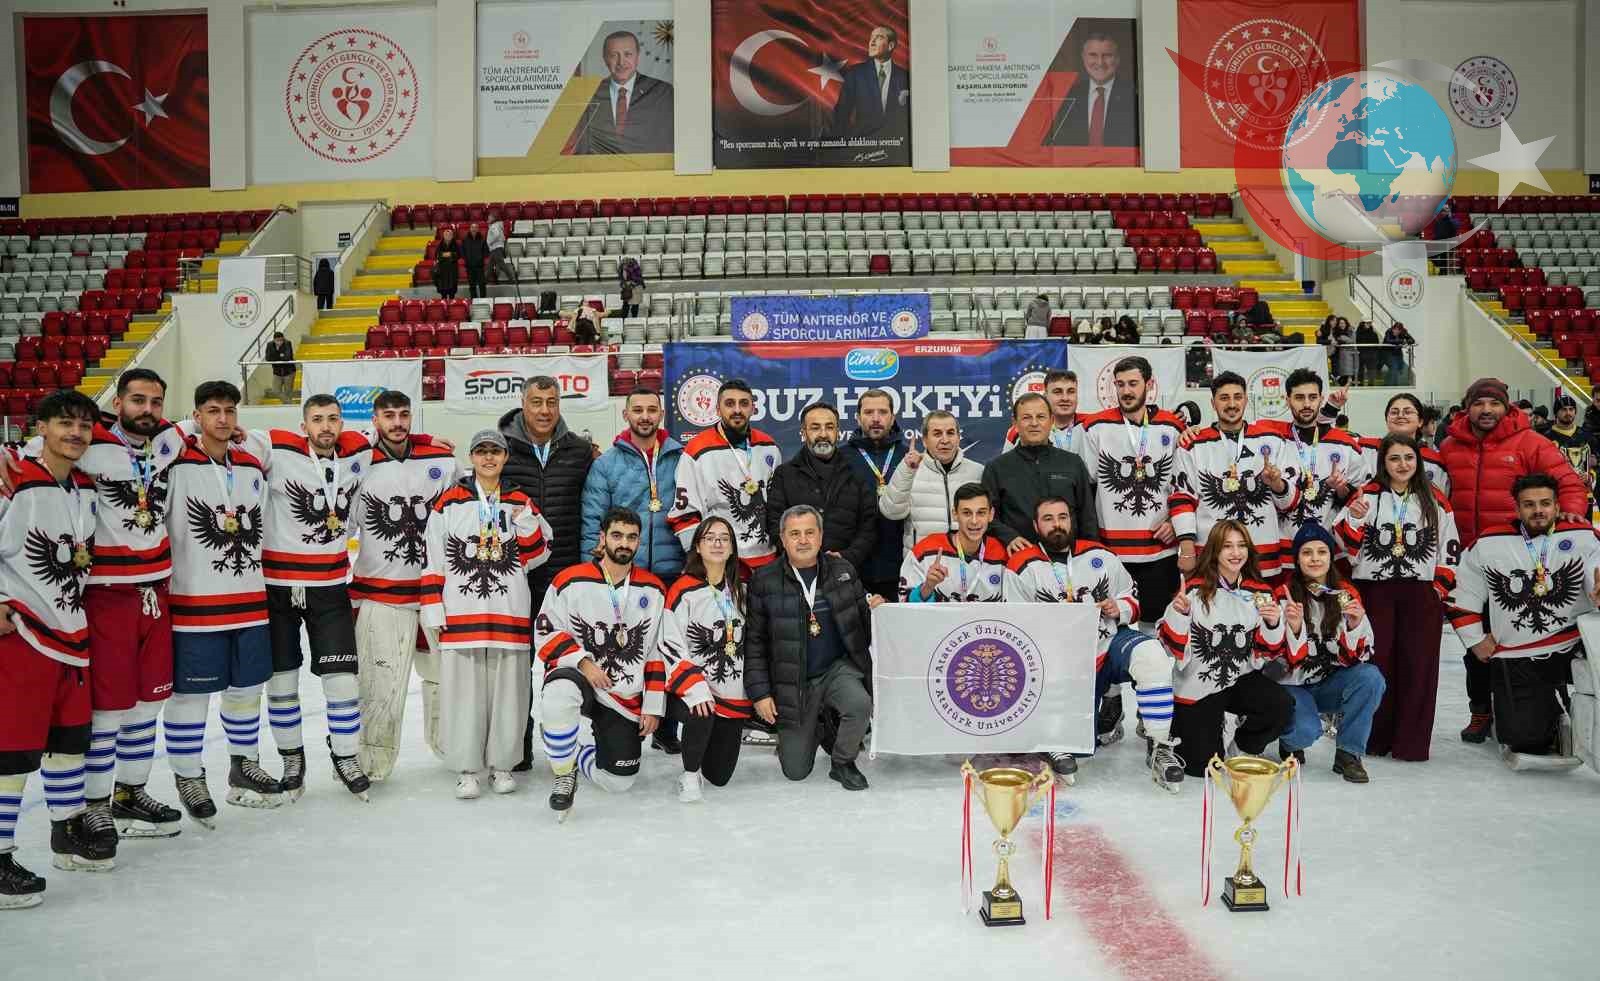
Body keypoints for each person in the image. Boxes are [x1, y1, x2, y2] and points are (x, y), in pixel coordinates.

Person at [0, 372, 189, 848]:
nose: (147, 409)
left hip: (142, 596)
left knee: (141, 705)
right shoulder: (40, 466)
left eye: (156, 401)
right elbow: (32, 457)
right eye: (137, 400)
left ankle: (124, 795)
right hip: (91, 601)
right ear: (117, 404)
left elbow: (207, 428)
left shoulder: (163, 444)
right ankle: (94, 804)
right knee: (96, 713)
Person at [217, 394, 373, 802]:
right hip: (276, 588)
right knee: (282, 681)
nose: (326, 426)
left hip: (330, 587)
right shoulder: (276, 445)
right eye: (317, 419)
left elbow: (391, 435)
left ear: (342, 423)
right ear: (303, 425)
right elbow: (224, 435)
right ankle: (292, 759)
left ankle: (346, 756)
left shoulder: (358, 451)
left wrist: (428, 440)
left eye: (333, 419)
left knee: (342, 681)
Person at [0, 391, 110, 901]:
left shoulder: (84, 487)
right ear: (40, 427)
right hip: (23, 634)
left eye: (84, 426)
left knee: (69, 744)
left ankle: (66, 833)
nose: (76, 433)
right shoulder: (14, 477)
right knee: (12, 753)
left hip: (72, 633)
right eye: (65, 423)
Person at [1439, 377, 1588, 743]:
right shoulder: (1449, 446)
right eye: (1479, 403)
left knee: (1526, 636)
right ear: (1467, 407)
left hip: (1518, 561)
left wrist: (1570, 514)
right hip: (1470, 561)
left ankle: (1543, 705)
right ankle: (1480, 710)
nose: (1486, 410)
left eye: (1494, 403)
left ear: (1506, 407)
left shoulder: (1530, 442)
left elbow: (1568, 484)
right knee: (1475, 641)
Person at [160, 381, 282, 819]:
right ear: (196, 416)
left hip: (249, 601)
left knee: (247, 689)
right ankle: (188, 776)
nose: (223, 419)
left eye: (230, 410)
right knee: (190, 696)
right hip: (195, 603)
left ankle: (243, 766)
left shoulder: (250, 465)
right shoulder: (176, 463)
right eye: (213, 410)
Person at [1006, 497, 1185, 790]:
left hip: (1107, 646)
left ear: (1071, 520)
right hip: (1058, 663)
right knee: (1082, 748)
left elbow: (1132, 596)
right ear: (1036, 526)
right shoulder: (1021, 566)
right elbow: (1014, 626)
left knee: (1152, 654)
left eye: (1063, 517)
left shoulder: (1100, 554)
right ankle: (1057, 740)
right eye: (1048, 519)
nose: (1057, 524)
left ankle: (1160, 746)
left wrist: (1119, 607)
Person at [422, 430, 550, 799]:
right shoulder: (449, 502)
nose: (489, 458)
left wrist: (527, 526)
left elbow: (537, 557)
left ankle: (503, 765)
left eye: (496, 451)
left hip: (509, 614)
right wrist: (432, 605)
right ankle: (466, 769)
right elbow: (433, 558)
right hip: (461, 615)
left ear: (505, 457)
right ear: (472, 457)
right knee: (463, 696)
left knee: (509, 695)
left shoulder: (520, 502)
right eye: (482, 451)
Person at [1448, 474, 1600, 769]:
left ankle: (1571, 711)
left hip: (1574, 643)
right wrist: (1475, 639)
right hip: (1519, 653)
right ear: (1517, 509)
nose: (1538, 510)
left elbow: (1595, 569)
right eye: (1529, 505)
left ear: (1557, 506)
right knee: (1526, 738)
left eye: (1545, 503)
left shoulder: (1582, 535)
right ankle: (1545, 712)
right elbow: (1463, 592)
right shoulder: (1490, 542)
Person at [348, 390, 458, 780]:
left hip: (436, 595)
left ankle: (451, 749)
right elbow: (342, 525)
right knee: (381, 684)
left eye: (404, 414)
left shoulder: (441, 460)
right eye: (389, 415)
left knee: (445, 679)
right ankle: (371, 763)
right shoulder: (359, 464)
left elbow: (463, 513)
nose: (397, 422)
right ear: (375, 420)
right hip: (382, 595)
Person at [535, 508, 669, 818]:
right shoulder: (570, 580)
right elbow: (545, 632)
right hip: (580, 676)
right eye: (617, 535)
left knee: (618, 781)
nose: (624, 543)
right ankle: (564, 772)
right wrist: (583, 662)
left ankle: (573, 752)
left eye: (632, 537)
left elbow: (657, 651)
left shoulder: (653, 589)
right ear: (602, 538)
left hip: (623, 694)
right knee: (558, 695)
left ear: (639, 542)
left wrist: (652, 704)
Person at [1332, 434, 1459, 761]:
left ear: (1418, 461)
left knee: (1419, 667)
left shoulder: (1434, 498)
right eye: (1394, 458)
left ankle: (1411, 743)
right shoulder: (1366, 494)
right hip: (1376, 592)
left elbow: (1450, 546)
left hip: (1420, 594)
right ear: (1383, 463)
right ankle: (1374, 737)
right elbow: (1343, 547)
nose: (1402, 465)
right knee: (1377, 663)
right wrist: (1355, 518)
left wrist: (1438, 588)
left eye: (1408, 458)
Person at [744, 505, 882, 790]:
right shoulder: (764, 580)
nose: (803, 540)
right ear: (783, 539)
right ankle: (819, 725)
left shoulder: (843, 570)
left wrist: (877, 611)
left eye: (809, 532)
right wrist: (760, 693)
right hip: (793, 681)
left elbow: (864, 627)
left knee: (859, 704)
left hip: (836, 669)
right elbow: (754, 642)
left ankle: (843, 762)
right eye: (795, 534)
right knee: (795, 771)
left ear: (820, 536)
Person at [498, 374, 595, 767]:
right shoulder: (500, 448)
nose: (544, 410)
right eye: (536, 402)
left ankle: (565, 743)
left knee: (565, 665)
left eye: (551, 402)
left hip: (564, 579)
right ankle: (517, 747)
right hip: (516, 580)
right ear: (523, 403)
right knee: (517, 669)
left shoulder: (580, 451)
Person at [1159, 520, 1296, 774]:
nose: (1236, 553)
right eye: (1227, 546)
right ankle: (1176, 733)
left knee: (1280, 705)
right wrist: (1180, 614)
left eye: (1241, 545)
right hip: (1200, 685)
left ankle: (1242, 743)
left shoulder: (1260, 592)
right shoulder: (1194, 590)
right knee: (1201, 767)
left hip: (1239, 679)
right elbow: (1169, 648)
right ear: (1215, 551)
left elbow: (1268, 652)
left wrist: (1273, 623)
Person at [1273, 523, 1384, 783]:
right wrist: (1294, 628)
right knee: (1305, 732)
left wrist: (1355, 626)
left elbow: (1360, 656)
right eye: (1307, 552)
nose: (1315, 559)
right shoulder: (1283, 595)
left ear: (1331, 557)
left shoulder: (1346, 594)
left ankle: (1348, 753)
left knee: (1370, 677)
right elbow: (1274, 656)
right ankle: (1290, 741)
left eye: (1321, 552)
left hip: (1329, 683)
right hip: (1293, 685)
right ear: (1297, 559)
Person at [1081, 356, 1186, 627]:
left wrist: (1175, 523)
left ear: (1148, 385)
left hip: (1159, 551)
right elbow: (1085, 487)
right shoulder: (1095, 427)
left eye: (1133, 383)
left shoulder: (1172, 426)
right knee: (1111, 624)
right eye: (1120, 384)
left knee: (1156, 624)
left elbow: (1185, 487)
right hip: (1112, 551)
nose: (1126, 391)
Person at [1169, 372, 1297, 582]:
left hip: (1262, 555)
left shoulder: (1273, 440)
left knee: (1263, 603)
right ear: (1213, 403)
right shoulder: (1193, 445)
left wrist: (1277, 484)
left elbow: (1290, 504)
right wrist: (1187, 548)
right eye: (1224, 398)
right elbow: (1182, 499)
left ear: (1246, 400)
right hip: (1211, 555)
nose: (1231, 404)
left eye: (1237, 397)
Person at [658, 517, 751, 802]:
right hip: (691, 690)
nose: (717, 543)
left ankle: (703, 748)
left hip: (730, 691)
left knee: (719, 776)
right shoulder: (683, 590)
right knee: (701, 710)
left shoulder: (741, 590)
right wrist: (694, 687)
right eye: (710, 538)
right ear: (697, 546)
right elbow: (670, 643)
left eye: (724, 538)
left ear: (732, 548)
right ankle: (689, 775)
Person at [670, 378, 780, 575]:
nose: (737, 410)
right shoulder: (697, 450)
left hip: (768, 560)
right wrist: (700, 559)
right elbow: (685, 514)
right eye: (729, 404)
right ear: (718, 410)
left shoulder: (768, 446)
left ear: (753, 408)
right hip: (721, 562)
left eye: (744, 404)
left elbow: (779, 505)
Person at [581, 389, 686, 585]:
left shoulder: (682, 460)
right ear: (625, 414)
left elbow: (693, 515)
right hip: (622, 570)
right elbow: (592, 521)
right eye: (637, 410)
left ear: (662, 415)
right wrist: (592, 575)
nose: (645, 417)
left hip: (674, 572)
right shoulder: (605, 464)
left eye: (652, 410)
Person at [763, 403, 877, 574]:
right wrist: (803, 557)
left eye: (829, 427)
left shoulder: (857, 474)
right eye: (815, 428)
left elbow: (869, 527)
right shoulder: (784, 474)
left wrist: (846, 557)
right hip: (794, 573)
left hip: (846, 573)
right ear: (803, 433)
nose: (823, 434)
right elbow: (774, 524)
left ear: (838, 432)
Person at [983, 393, 1098, 551]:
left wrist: (1089, 553)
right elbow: (987, 516)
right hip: (1019, 557)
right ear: (1015, 423)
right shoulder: (996, 468)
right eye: (1026, 418)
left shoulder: (1073, 463)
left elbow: (1087, 517)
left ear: (1051, 421)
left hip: (1069, 557)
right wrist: (1009, 537)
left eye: (1041, 417)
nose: (1034, 423)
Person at [1273, 368, 1370, 545]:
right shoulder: (1274, 441)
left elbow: (1360, 500)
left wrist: (1341, 489)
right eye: (1299, 398)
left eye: (1312, 397)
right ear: (1287, 400)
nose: (1306, 404)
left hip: (1328, 549)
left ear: (1321, 399)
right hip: (1284, 548)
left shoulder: (1346, 446)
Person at [880, 410, 986, 550]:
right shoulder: (910, 471)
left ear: (958, 437)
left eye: (950, 433)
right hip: (922, 559)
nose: (945, 440)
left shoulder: (978, 471)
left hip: (968, 559)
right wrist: (908, 471)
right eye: (937, 434)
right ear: (925, 440)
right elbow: (891, 512)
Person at [841, 389, 907, 602]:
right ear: (858, 417)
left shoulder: (909, 457)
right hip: (855, 565)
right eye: (869, 412)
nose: (876, 418)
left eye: (883, 412)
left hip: (900, 564)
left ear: (893, 417)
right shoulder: (840, 457)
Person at [899, 483, 1009, 604]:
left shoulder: (1002, 554)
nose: (974, 521)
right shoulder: (925, 551)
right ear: (955, 514)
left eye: (981, 513)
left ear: (991, 514)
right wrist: (928, 587)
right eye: (966, 513)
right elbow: (904, 607)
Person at [1325, 391, 1451, 496]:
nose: (1400, 415)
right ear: (1387, 420)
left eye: (1408, 412)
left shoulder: (1434, 462)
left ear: (1420, 422)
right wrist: (1331, 408)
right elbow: (1326, 437)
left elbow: (1440, 504)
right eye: (1394, 412)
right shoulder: (1364, 448)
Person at [571, 30, 674, 155]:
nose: (621, 62)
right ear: (605, 59)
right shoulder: (589, 94)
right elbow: (581, 147)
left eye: (628, 54)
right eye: (614, 55)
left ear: (637, 57)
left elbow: (668, 144)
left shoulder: (662, 92)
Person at [1043, 31, 1137, 147]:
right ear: (1083, 58)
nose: (1100, 62)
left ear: (1117, 59)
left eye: (1107, 55)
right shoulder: (1069, 95)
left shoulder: (1133, 95)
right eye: (1093, 55)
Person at [831, 26, 909, 141]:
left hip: (894, 143)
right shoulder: (855, 73)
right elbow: (842, 113)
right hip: (862, 143)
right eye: (871, 37)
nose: (872, 42)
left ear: (891, 45)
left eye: (879, 37)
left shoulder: (904, 76)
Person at [1003, 370, 1081, 452]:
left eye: (1071, 392)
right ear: (1045, 395)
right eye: (1057, 392)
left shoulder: (1089, 426)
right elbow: (1007, 460)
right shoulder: (1020, 430)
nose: (1065, 398)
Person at [1545, 395, 1595, 496]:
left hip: (1585, 493)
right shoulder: (1546, 437)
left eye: (1571, 409)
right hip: (1559, 493)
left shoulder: (1586, 435)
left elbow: (1595, 463)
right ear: (1556, 412)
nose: (1568, 413)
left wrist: (1590, 476)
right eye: (1564, 409)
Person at [485, 213, 517, 287]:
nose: (488, 219)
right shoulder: (497, 225)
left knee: (501, 265)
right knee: (490, 265)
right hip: (496, 248)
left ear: (494, 218)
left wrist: (490, 242)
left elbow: (496, 235)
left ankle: (512, 279)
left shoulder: (494, 226)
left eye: (489, 218)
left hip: (496, 248)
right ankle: (485, 280)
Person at [264, 331, 295, 403]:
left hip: (289, 371)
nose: (280, 342)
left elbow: (287, 357)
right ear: (274, 340)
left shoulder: (287, 343)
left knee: (288, 391)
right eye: (278, 340)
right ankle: (289, 403)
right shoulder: (270, 345)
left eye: (281, 340)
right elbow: (268, 358)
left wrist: (275, 356)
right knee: (275, 390)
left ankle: (288, 406)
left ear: (283, 339)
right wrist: (280, 354)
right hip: (277, 372)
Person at [460, 224, 489, 300]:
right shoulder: (465, 240)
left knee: (482, 284)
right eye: (472, 227)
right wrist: (466, 259)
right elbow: (462, 252)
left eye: (476, 227)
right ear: (470, 229)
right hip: (469, 266)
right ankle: (474, 300)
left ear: (478, 229)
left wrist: (481, 258)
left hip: (479, 266)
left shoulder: (482, 239)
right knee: (472, 285)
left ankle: (483, 300)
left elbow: (486, 251)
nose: (474, 229)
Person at [432, 226, 460, 300]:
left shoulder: (455, 244)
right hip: (442, 270)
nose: (448, 236)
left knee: (452, 293)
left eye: (450, 235)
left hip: (452, 270)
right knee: (443, 293)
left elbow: (458, 255)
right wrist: (448, 254)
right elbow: (437, 255)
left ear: (452, 236)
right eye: (446, 235)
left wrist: (449, 254)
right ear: (443, 236)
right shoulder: (440, 244)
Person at [1332, 318, 1357, 383]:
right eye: (1340, 323)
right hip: (1338, 355)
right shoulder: (1335, 332)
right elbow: (1336, 341)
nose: (1342, 325)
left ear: (1346, 324)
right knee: (1340, 374)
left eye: (1343, 323)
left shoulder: (1350, 331)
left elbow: (1352, 341)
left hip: (1349, 355)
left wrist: (1343, 338)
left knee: (1349, 372)